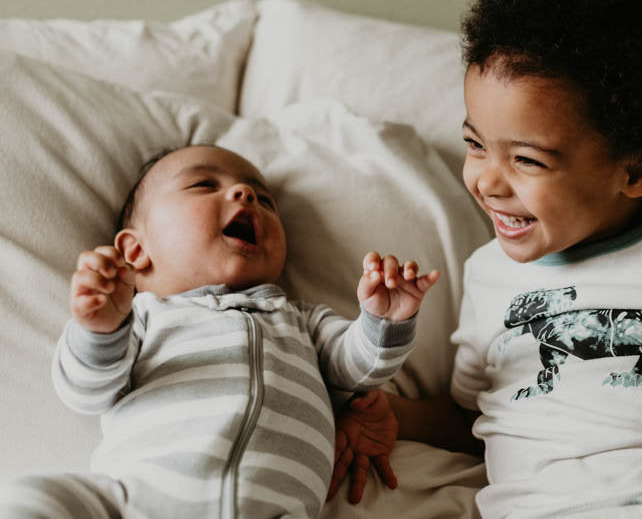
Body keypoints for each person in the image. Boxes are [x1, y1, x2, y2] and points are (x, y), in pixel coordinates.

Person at [328, 0, 642, 517]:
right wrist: (394, 415)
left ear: (639, 169)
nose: (487, 181)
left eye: (527, 161)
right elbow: (472, 417)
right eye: (476, 144)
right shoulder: (486, 274)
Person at [0, 145, 439, 519]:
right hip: (136, 501)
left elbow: (358, 371)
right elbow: (86, 391)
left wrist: (384, 321)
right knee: (33, 500)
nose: (245, 194)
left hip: (274, 508)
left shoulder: (300, 320)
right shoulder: (145, 317)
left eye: (265, 200)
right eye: (203, 185)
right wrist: (99, 329)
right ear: (136, 250)